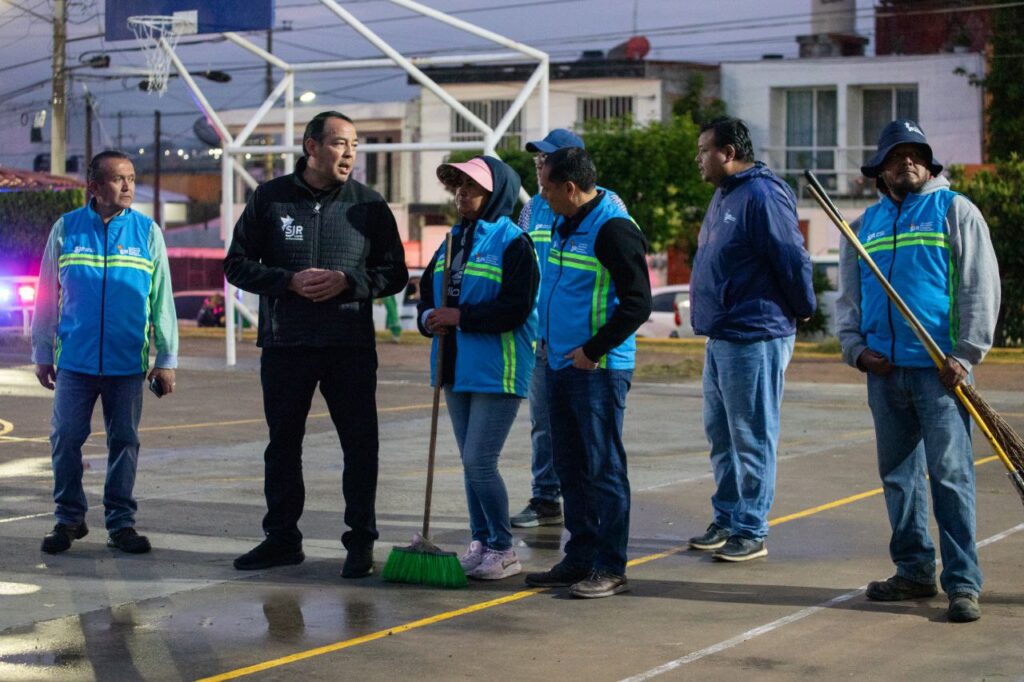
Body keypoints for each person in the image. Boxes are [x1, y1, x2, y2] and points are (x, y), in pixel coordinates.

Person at [225, 111, 408, 578]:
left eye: (355, 146)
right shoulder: (270, 199)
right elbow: (236, 265)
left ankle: (361, 542)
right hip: (287, 345)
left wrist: (348, 281)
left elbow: (395, 273)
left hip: (349, 346)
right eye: (340, 143)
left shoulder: (368, 205)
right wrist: (288, 282)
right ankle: (282, 539)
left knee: (360, 445)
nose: (349, 153)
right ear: (311, 146)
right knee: (283, 445)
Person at [836, 119, 1000, 623]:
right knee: (899, 478)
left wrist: (966, 354)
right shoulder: (863, 226)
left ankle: (962, 583)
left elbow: (979, 287)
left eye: (916, 154)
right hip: (884, 373)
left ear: (928, 165)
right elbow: (849, 297)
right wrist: (855, 349)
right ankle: (913, 571)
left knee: (950, 478)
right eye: (895, 155)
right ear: (880, 171)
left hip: (940, 372)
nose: (907, 161)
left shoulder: (955, 211)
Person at [31, 150, 178, 555]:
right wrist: (43, 351)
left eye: (131, 178)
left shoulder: (147, 233)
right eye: (118, 179)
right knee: (64, 439)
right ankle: (68, 520)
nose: (128, 186)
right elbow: (47, 294)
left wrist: (166, 360)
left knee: (124, 442)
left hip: (127, 364)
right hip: (75, 364)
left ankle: (120, 524)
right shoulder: (67, 229)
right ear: (94, 187)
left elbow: (161, 300)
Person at [524, 148, 651, 598]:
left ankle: (610, 565)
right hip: (559, 363)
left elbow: (638, 304)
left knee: (604, 469)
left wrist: (593, 352)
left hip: (597, 370)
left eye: (546, 189)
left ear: (570, 188)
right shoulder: (564, 223)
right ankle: (579, 557)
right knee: (570, 467)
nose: (542, 196)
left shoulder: (613, 229)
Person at [687, 117, 815, 562]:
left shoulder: (762, 194)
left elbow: (790, 255)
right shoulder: (724, 196)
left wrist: (803, 307)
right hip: (722, 335)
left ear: (727, 153)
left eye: (704, 150)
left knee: (752, 434)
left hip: (754, 334)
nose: (698, 159)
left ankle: (751, 527)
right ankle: (726, 516)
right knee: (720, 434)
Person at [418, 156, 539, 580]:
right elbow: (426, 293)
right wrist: (429, 318)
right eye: (459, 187)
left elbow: (515, 308)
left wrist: (460, 317)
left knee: (479, 461)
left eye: (472, 187)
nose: (462, 195)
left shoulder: (513, 242)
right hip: (453, 366)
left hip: (497, 368)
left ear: (496, 194)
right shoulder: (452, 240)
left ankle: (503, 548)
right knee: (471, 463)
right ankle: (480, 541)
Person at [511, 129, 628, 529]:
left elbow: (632, 297)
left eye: (546, 158)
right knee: (549, 431)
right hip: (546, 340)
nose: (539, 166)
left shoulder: (608, 209)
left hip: (593, 355)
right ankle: (548, 500)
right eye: (537, 161)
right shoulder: (536, 209)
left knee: (598, 459)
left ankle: (606, 556)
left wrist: (594, 349)